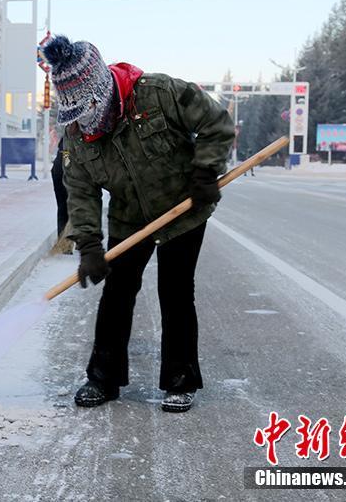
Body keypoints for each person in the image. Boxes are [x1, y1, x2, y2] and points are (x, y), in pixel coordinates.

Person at [40, 35, 234, 413]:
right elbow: (80, 193)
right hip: (129, 217)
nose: (83, 121)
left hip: (183, 208)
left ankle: (181, 381)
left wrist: (206, 171)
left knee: (175, 291)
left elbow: (216, 123)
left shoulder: (158, 93)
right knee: (117, 292)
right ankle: (103, 378)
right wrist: (91, 246)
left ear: (101, 90)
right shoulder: (78, 137)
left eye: (86, 109)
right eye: (73, 113)